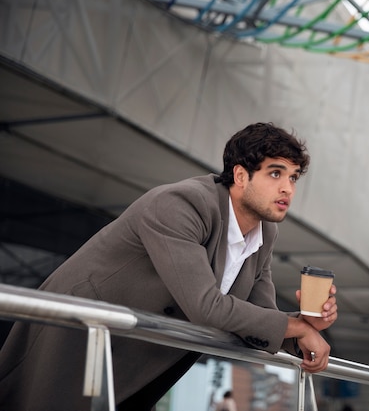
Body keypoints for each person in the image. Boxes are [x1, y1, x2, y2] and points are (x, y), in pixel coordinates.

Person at [0, 122, 338, 411]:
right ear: (240, 175)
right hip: (80, 336)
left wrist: (306, 325)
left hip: (143, 354)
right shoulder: (181, 204)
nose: (287, 188)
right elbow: (204, 306)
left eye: (293, 177)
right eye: (275, 173)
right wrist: (295, 328)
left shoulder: (265, 231)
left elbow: (260, 314)